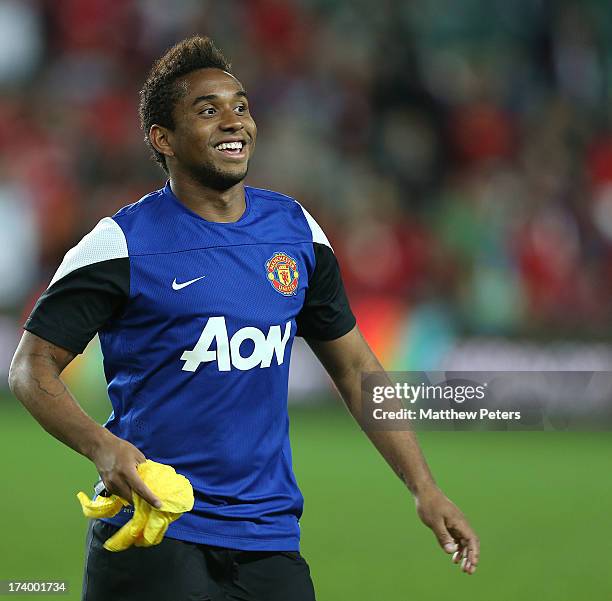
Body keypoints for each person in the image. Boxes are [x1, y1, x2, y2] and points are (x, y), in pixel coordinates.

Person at [8, 36, 479, 601]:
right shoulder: (120, 245)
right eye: (208, 110)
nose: (234, 121)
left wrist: (424, 489)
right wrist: (103, 448)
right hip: (154, 537)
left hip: (270, 540)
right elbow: (30, 368)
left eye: (241, 105)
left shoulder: (295, 231)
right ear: (164, 139)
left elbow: (356, 368)